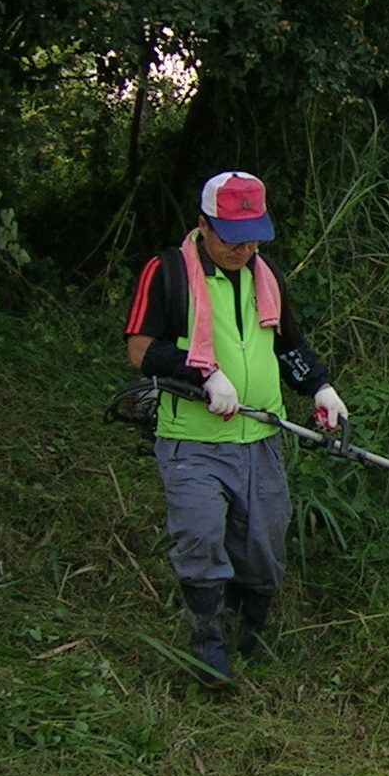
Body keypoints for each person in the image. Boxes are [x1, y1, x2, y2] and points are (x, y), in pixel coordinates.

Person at [123, 172, 348, 685]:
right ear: (203, 224)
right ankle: (207, 646)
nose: (241, 248)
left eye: (251, 237)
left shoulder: (265, 277)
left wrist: (319, 387)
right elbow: (140, 350)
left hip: (260, 437)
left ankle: (251, 637)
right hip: (193, 441)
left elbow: (288, 345)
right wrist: (202, 371)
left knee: (264, 549)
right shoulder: (168, 272)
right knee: (201, 539)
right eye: (229, 235)